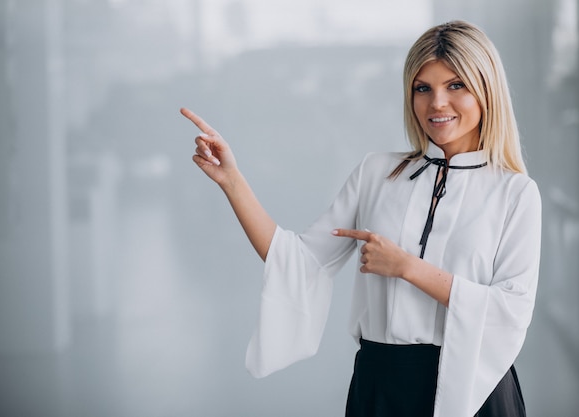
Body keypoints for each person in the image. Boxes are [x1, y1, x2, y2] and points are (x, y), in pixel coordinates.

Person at [181, 20, 541, 417]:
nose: (437, 102)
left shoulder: (516, 193)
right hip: (381, 385)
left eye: (456, 85)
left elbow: (512, 309)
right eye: (423, 88)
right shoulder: (377, 173)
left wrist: (407, 267)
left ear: (486, 90)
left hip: (478, 390)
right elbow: (298, 260)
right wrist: (232, 181)